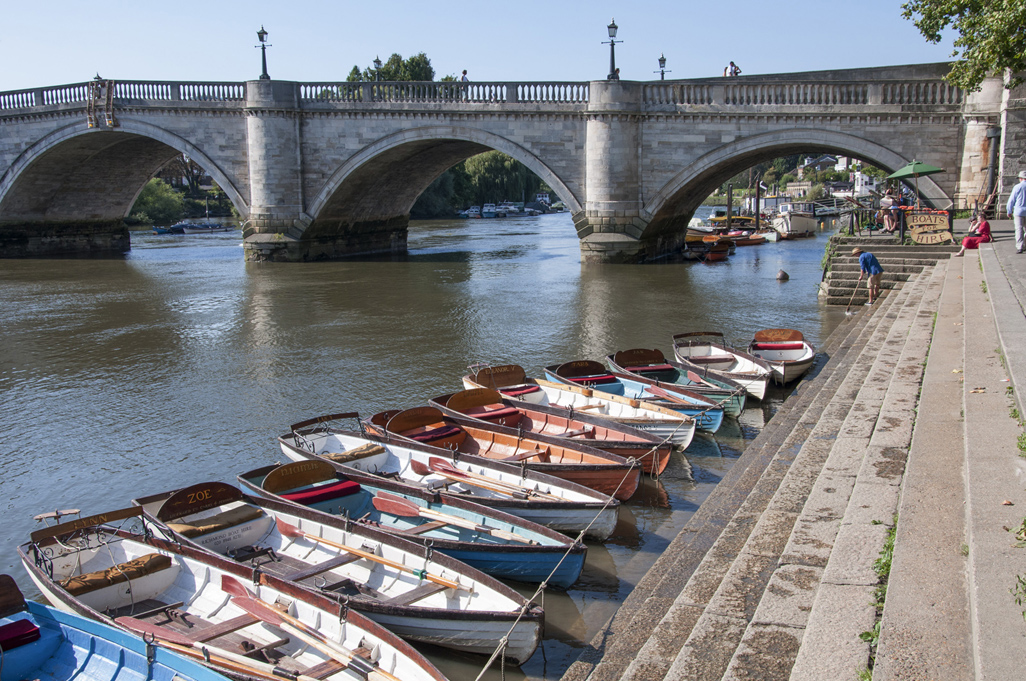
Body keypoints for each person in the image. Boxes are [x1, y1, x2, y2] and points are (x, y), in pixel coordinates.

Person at [1008, 170, 1026, 254]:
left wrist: (1009, 210)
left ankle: (1020, 247)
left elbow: (1011, 200)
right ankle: (1025, 244)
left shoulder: (1017, 187)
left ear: (1021, 178)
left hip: (1019, 211)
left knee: (1019, 229)